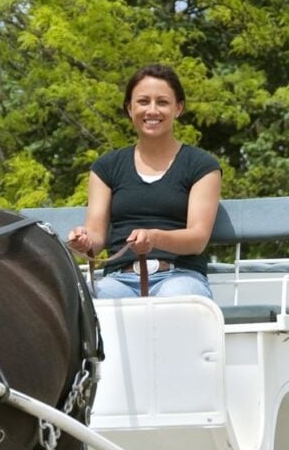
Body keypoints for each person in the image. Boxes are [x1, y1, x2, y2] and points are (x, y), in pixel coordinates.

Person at [67, 64, 222, 298]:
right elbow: (97, 238)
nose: (152, 110)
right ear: (130, 108)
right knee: (88, 301)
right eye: (142, 102)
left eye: (162, 102)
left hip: (181, 275)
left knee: (176, 296)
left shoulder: (202, 165)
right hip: (119, 278)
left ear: (178, 108)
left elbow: (197, 239)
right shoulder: (105, 167)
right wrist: (85, 241)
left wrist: (154, 238)